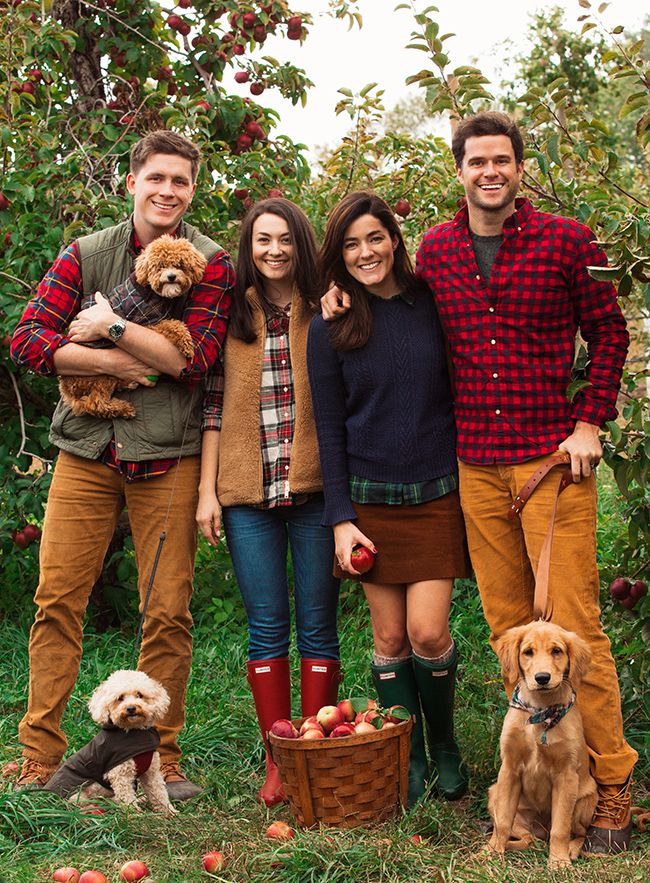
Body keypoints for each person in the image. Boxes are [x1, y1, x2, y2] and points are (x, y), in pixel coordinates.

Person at [321, 113, 636, 851]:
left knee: (575, 629)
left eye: (502, 160)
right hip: (475, 466)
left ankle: (612, 781)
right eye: (477, 162)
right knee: (508, 634)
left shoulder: (566, 240)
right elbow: (391, 300)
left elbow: (610, 330)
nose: (489, 172)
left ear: (519, 169)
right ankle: (531, 774)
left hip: (551, 462)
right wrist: (335, 292)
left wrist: (589, 422)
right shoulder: (436, 247)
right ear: (458, 171)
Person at [10, 130, 234, 800]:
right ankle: (39, 760)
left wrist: (105, 327)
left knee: (167, 610)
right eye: (156, 178)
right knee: (57, 601)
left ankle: (157, 759)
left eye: (182, 182)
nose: (168, 191)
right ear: (130, 181)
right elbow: (28, 338)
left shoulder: (211, 262)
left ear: (194, 190)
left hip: (167, 455)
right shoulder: (85, 253)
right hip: (85, 448)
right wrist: (121, 361)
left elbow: (192, 361)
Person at [308, 191, 472, 807]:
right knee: (389, 638)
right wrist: (340, 518)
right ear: (339, 255)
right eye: (351, 244)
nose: (365, 252)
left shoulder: (431, 303)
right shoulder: (332, 325)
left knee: (429, 635)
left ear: (395, 240)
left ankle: (447, 746)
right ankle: (406, 753)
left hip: (434, 493)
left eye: (374, 238)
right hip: (369, 502)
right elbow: (329, 426)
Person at [196, 198, 341, 807]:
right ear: (248, 248)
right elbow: (210, 404)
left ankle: (317, 748)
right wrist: (207, 491)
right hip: (246, 492)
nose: (274, 250)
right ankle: (278, 757)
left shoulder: (328, 306)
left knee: (317, 625)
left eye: (284, 239)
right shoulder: (231, 312)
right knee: (266, 626)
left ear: (300, 244)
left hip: (312, 490)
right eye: (262, 241)